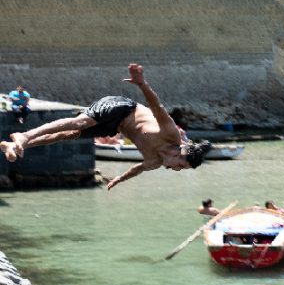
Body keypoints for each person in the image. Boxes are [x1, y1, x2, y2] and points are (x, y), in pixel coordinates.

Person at [0, 64, 211, 190]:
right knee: (81, 122)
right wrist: (141, 84)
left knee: (69, 134)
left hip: (114, 127)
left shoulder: (155, 161)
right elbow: (157, 106)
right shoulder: (170, 133)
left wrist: (118, 179)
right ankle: (24, 136)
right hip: (122, 107)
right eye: (180, 165)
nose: (175, 169)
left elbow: (137, 169)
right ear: (181, 151)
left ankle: (14, 146)